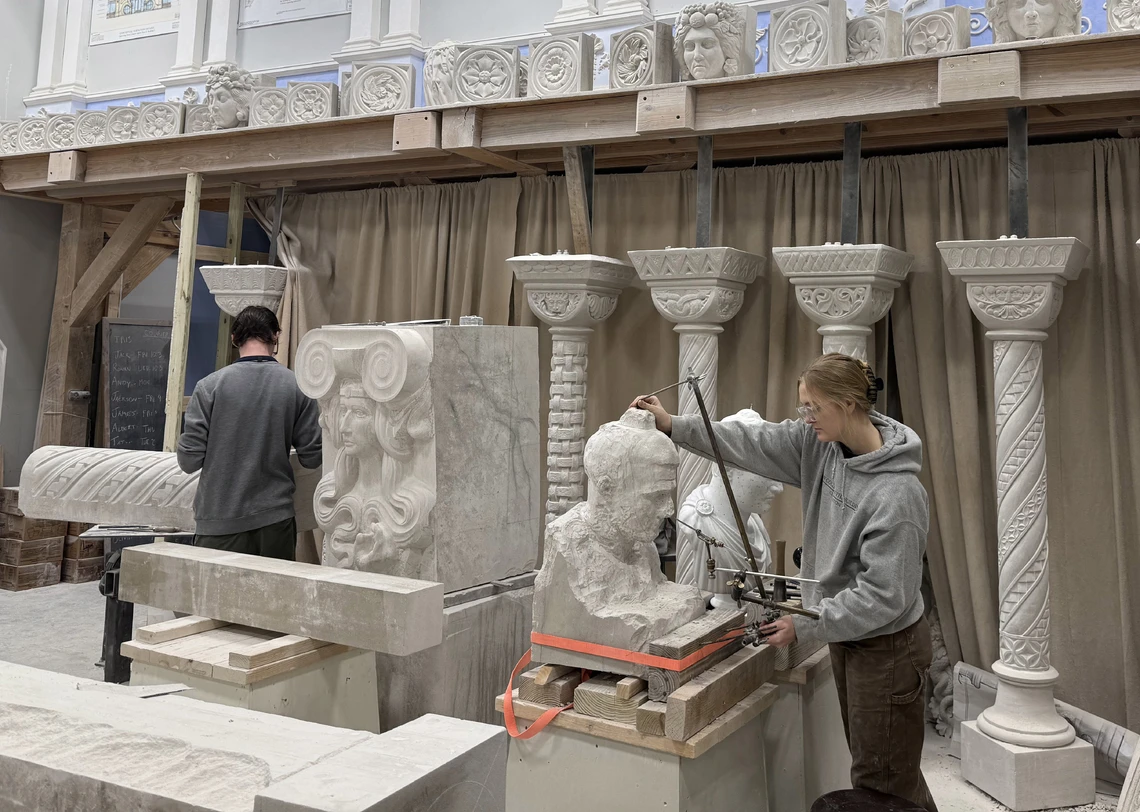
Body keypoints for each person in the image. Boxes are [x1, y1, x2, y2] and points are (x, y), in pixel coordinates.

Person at [632, 353, 938, 812]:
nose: (805, 417)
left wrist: (806, 624)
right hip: (851, 635)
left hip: (888, 648)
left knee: (882, 782)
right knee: (885, 769)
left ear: (849, 404)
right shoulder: (822, 445)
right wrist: (673, 425)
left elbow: (883, 597)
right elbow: (749, 441)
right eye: (802, 407)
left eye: (814, 407)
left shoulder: (898, 495)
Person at [177, 305, 322, 561]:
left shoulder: (208, 387)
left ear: (234, 338)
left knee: (216, 589)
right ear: (275, 336)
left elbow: (189, 461)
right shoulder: (297, 386)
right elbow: (313, 457)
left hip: (219, 521)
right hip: (275, 521)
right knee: (274, 588)